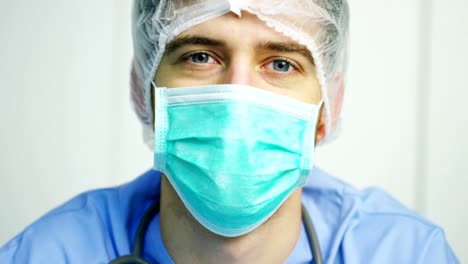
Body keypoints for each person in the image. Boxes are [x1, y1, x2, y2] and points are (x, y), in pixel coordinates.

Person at [0, 0, 459, 263]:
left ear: (326, 109)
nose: (238, 96)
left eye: (281, 63)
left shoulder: (405, 253)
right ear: (147, 90)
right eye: (201, 56)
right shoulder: (51, 253)